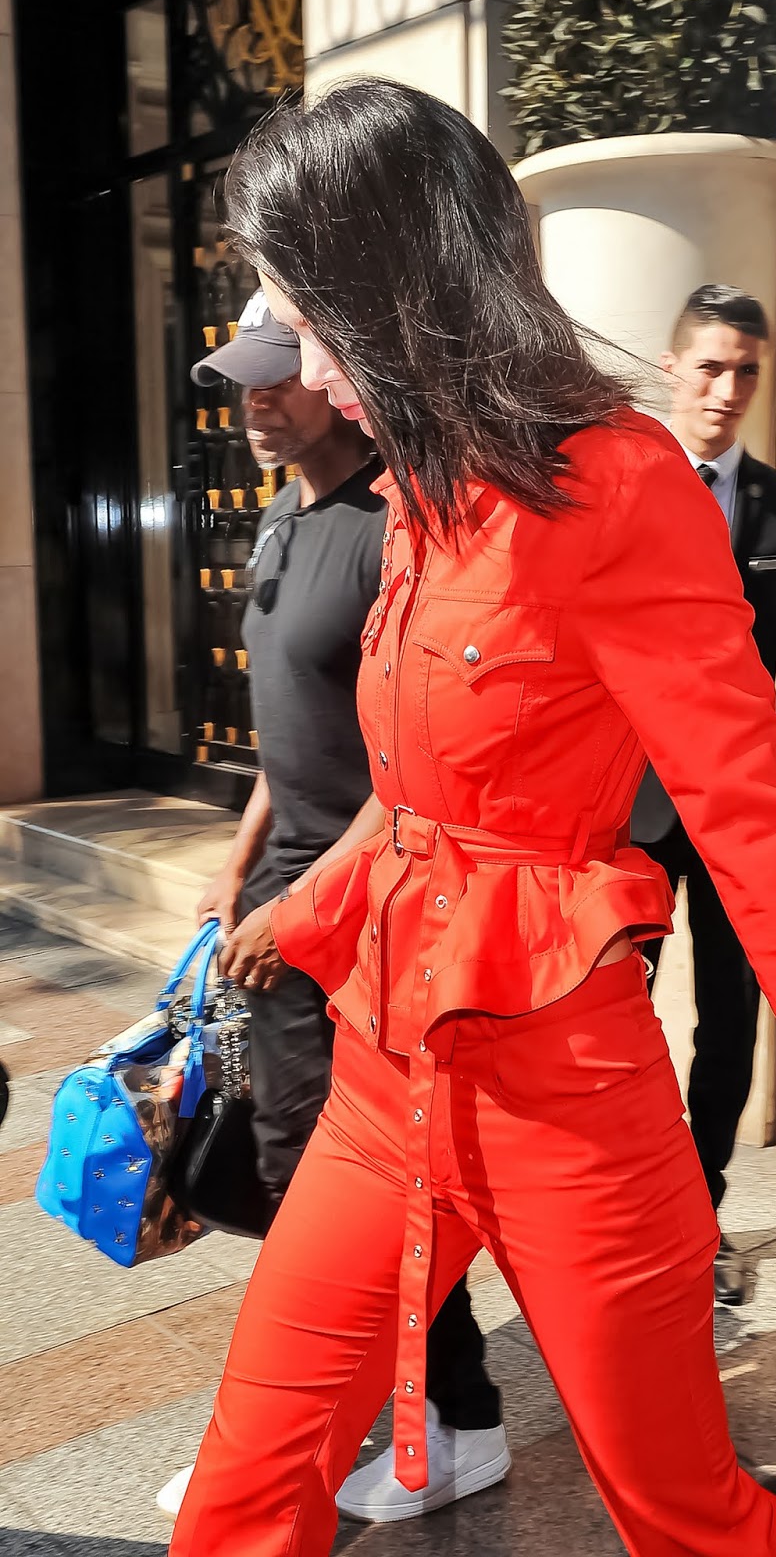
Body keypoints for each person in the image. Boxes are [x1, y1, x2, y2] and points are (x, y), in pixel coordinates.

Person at [169, 79, 776, 1557]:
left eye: (307, 320)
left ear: (395, 294)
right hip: (384, 1078)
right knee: (242, 1493)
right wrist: (289, 911)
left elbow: (758, 837)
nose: (299, 364)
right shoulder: (418, 497)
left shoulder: (619, 487)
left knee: (684, 1516)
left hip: (569, 1103)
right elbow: (421, 799)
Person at [157, 292, 507, 1525]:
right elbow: (286, 735)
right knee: (307, 1170)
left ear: (333, 379)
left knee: (344, 1182)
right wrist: (238, 864)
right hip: (284, 899)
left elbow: (416, 762)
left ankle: (443, 1422)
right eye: (242, 380)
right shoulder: (279, 521)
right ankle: (375, 1411)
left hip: (358, 909)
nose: (254, 399)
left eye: (277, 374)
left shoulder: (387, 529)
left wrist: (302, 901)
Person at [633, 284, 776, 1307]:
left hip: (744, 813)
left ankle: (699, 1209)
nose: (727, 389)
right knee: (612, 1015)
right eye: (711, 366)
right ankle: (622, 1205)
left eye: (747, 371)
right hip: (630, 808)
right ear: (672, 367)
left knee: (730, 1020)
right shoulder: (623, 486)